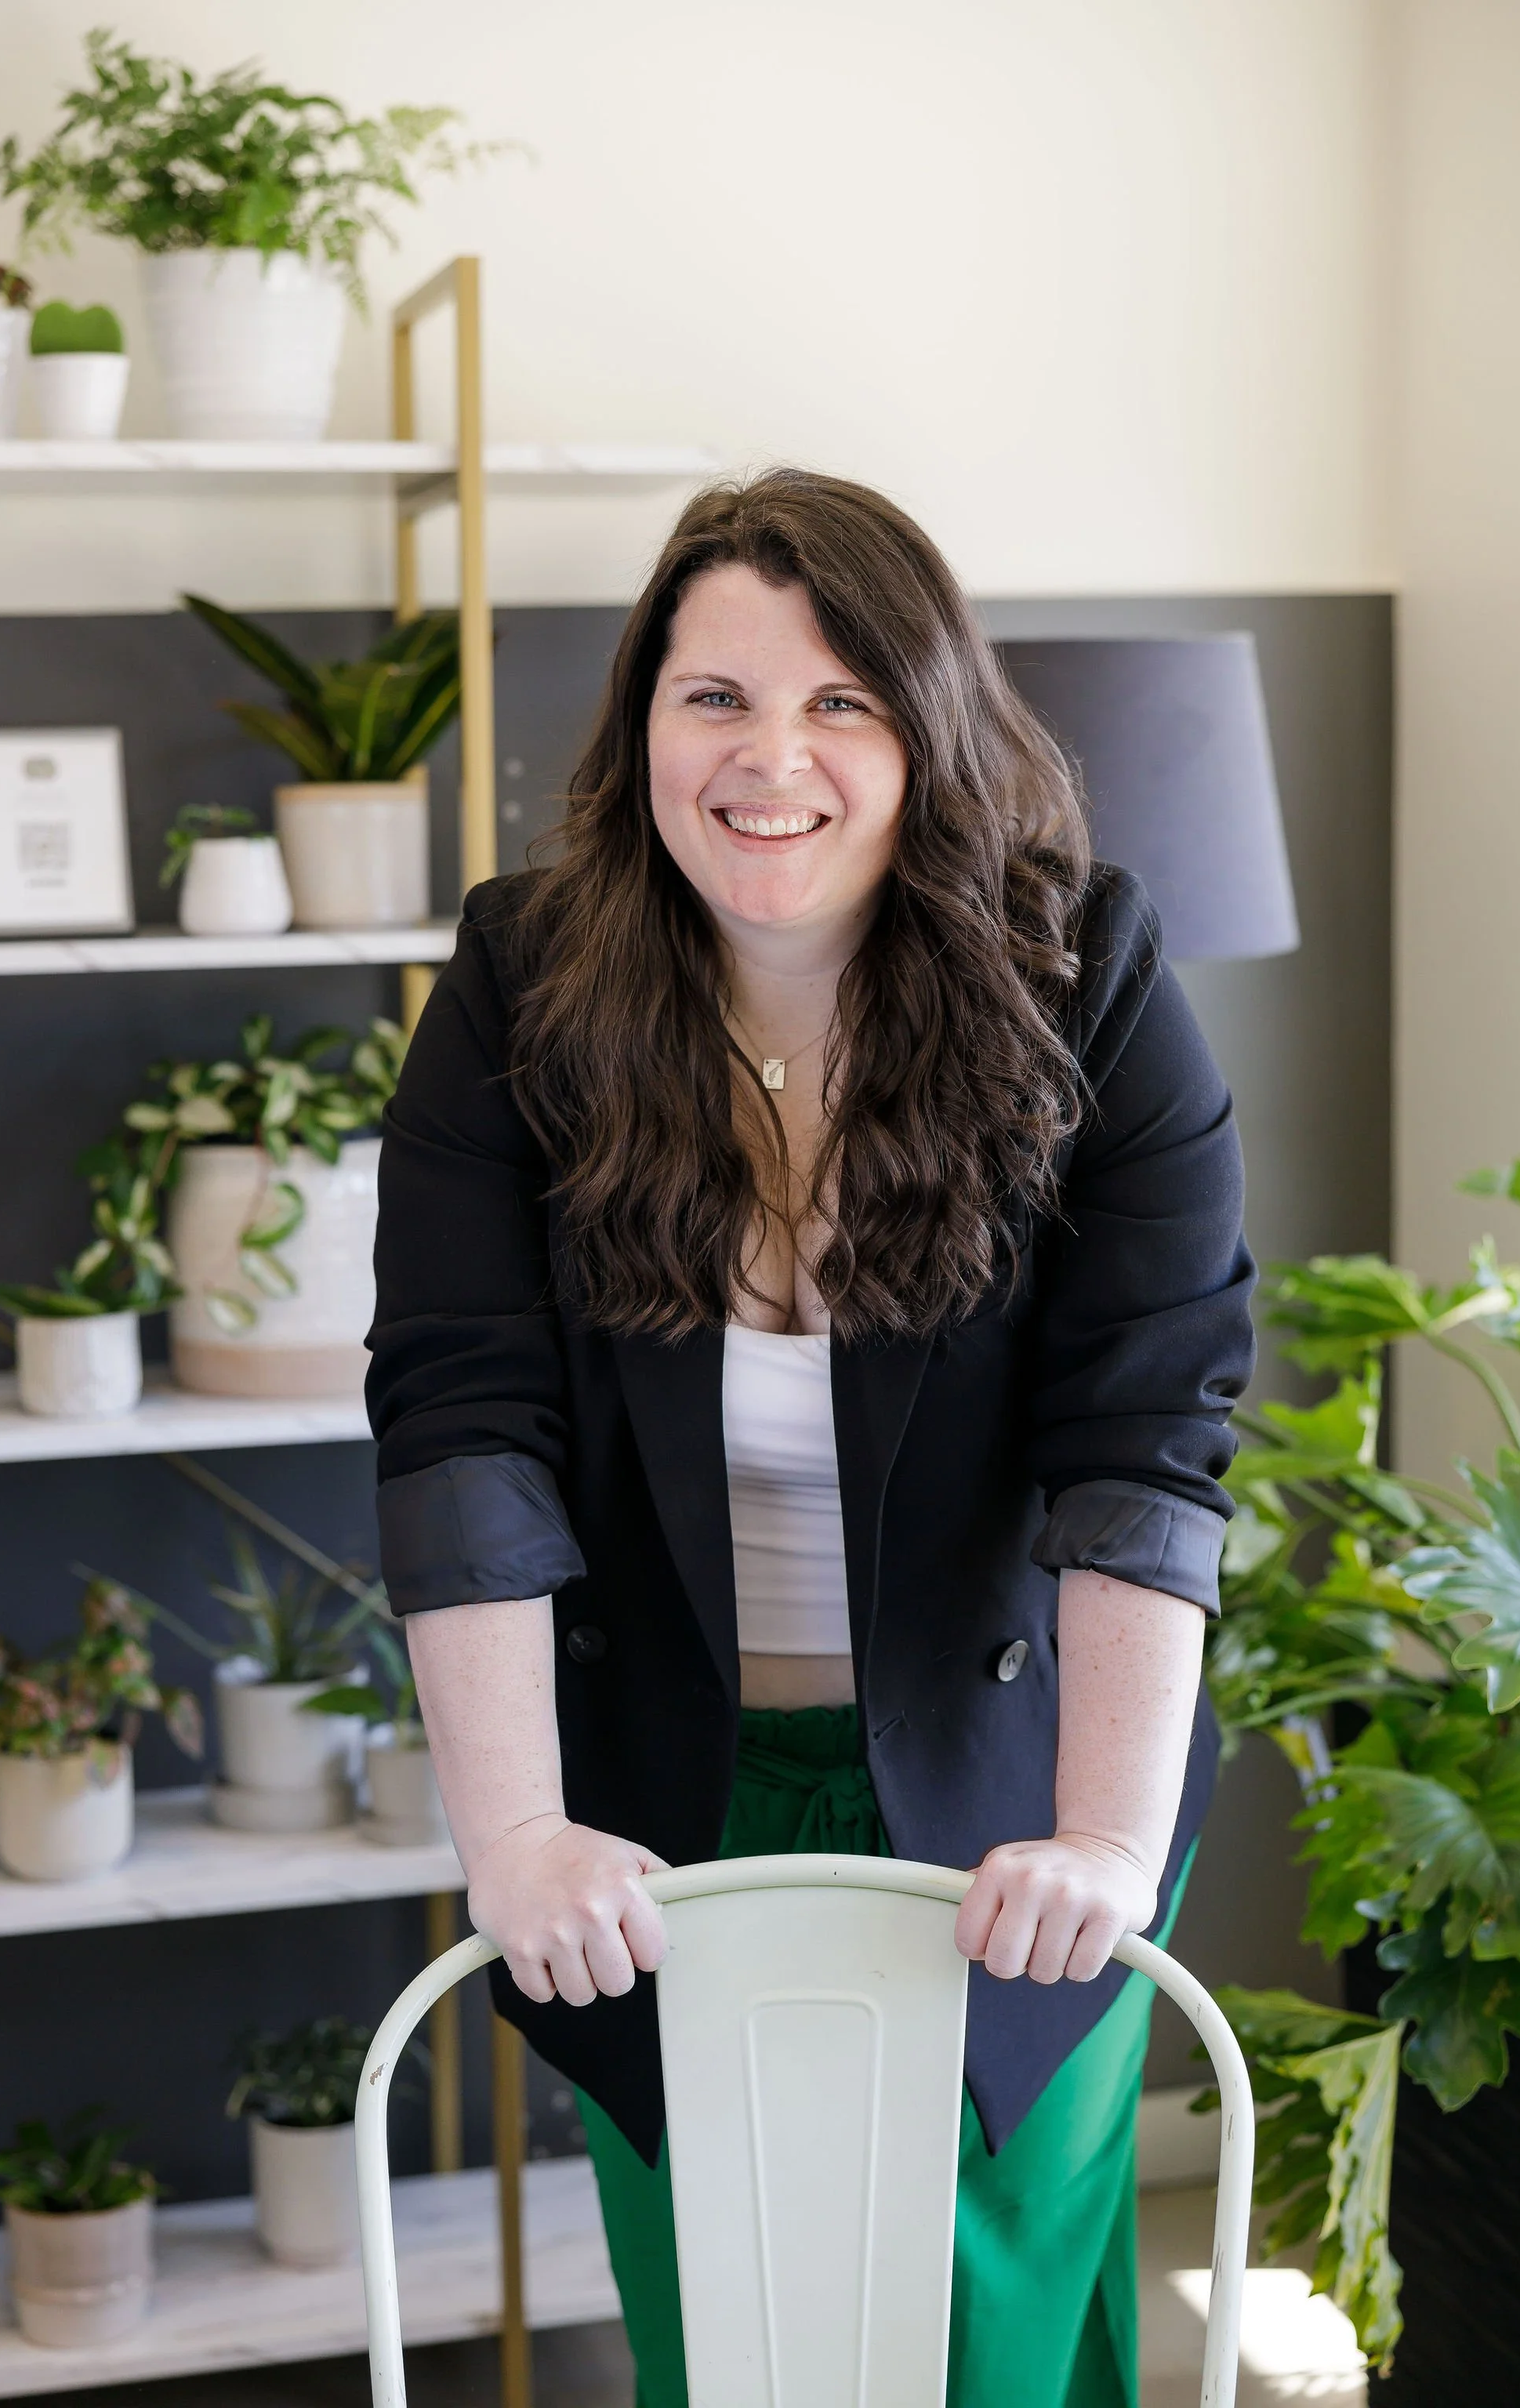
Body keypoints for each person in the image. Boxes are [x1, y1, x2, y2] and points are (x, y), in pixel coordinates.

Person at [366, 468, 1254, 2408]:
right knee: (736, 2321)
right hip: (657, 1804)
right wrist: (513, 1832)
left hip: (1023, 1785)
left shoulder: (1083, 972)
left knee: (991, 2331)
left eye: (842, 700)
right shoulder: (524, 982)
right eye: (717, 699)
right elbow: (463, 1428)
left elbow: (1146, 1440)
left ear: (928, 732)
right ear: (643, 727)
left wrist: (1099, 1831)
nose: (773, 758)